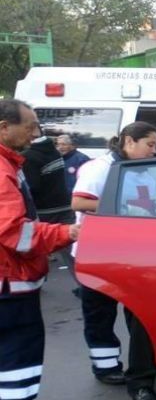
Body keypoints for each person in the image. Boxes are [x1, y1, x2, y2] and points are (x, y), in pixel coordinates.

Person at [72, 122, 156, 400]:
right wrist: (123, 206)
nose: (154, 151)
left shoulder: (145, 171)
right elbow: (79, 203)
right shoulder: (98, 169)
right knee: (101, 312)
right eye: (150, 144)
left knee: (141, 312)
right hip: (98, 252)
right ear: (129, 142)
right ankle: (106, 366)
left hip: (134, 252)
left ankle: (148, 360)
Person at [0, 99, 79, 400]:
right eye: (30, 126)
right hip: (10, 285)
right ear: (4, 128)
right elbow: (14, 232)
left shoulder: (9, 163)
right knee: (17, 361)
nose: (35, 134)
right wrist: (68, 231)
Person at [22, 130, 74, 278]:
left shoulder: (29, 156)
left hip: (44, 209)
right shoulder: (53, 151)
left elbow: (33, 186)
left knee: (37, 249)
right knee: (71, 252)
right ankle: (87, 285)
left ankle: (37, 279)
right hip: (64, 204)